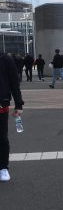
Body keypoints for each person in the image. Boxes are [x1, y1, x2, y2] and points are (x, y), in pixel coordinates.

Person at [0, 51, 24, 182]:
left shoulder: (5, 59)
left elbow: (14, 83)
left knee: (2, 138)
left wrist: (19, 104)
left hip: (0, 103)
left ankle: (3, 167)